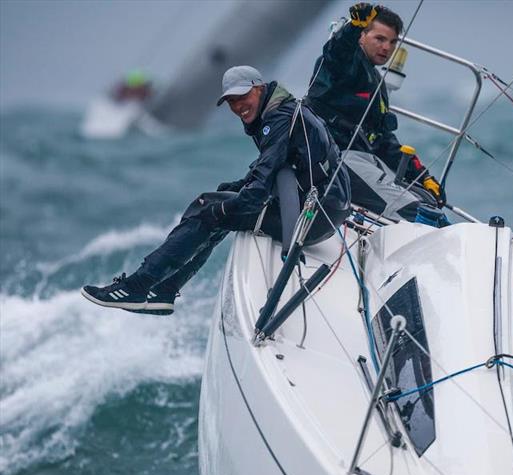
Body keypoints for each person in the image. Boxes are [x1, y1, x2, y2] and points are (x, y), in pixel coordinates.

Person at [81, 66, 351, 315]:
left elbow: (257, 194)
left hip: (310, 218)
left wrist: (224, 208)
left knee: (211, 213)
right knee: (210, 202)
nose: (237, 106)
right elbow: (271, 165)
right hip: (324, 210)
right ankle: (165, 289)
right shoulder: (283, 111)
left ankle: (138, 286)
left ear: (259, 88)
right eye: (231, 101)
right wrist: (230, 192)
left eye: (242, 96)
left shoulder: (279, 119)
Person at [307, 3, 444, 221]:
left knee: (427, 201)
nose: (386, 48)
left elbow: (383, 140)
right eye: (379, 39)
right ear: (362, 36)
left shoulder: (376, 82)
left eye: (392, 42)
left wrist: (422, 176)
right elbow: (336, 54)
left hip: (364, 159)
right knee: (418, 213)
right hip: (335, 158)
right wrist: (352, 27)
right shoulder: (344, 65)